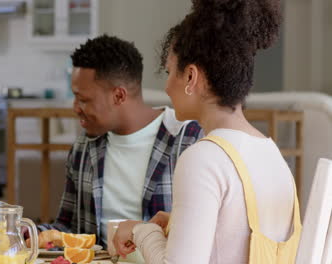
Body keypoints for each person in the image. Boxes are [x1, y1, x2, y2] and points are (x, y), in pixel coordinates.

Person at [113, 0, 301, 263]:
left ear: (191, 77)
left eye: (169, 72)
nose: (166, 87)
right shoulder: (271, 153)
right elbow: (235, 237)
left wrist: (139, 230)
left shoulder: (203, 158)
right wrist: (181, 225)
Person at [37, 35, 203, 246]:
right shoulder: (84, 147)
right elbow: (67, 228)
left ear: (119, 96)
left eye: (84, 99)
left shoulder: (188, 140)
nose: (75, 108)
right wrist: (28, 232)